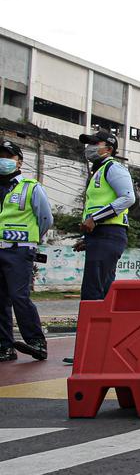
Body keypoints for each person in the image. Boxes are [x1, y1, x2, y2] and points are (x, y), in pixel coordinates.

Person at [0, 140, 52, 362]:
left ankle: (36, 342)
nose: (2, 160)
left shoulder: (31, 187)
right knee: (0, 300)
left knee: (19, 296)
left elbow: (45, 219)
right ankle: (5, 346)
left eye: (8, 156)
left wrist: (30, 240)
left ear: (19, 161)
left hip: (19, 250)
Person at [77, 129, 134, 301]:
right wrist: (87, 236)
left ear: (108, 149)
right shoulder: (98, 171)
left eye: (95, 144)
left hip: (109, 234)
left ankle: (92, 328)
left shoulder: (113, 168)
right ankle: (107, 327)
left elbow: (128, 197)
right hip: (100, 235)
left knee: (93, 291)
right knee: (103, 291)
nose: (89, 147)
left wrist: (94, 219)